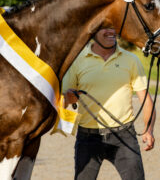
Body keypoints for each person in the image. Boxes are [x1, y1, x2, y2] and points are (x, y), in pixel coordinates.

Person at [62, 25, 155, 180]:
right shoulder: (77, 60)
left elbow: (146, 99)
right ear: (93, 31)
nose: (111, 31)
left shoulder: (131, 60)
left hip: (124, 136)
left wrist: (148, 130)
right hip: (88, 137)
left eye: (114, 27)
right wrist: (69, 98)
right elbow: (63, 100)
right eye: (105, 28)